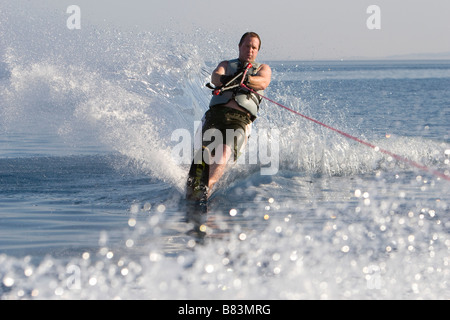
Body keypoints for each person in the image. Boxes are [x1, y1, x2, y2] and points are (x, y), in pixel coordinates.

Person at [186, 32, 272, 203]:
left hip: (240, 120)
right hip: (216, 115)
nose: (250, 50)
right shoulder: (226, 65)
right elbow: (215, 76)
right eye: (247, 46)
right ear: (240, 46)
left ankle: (207, 187)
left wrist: (246, 78)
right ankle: (195, 182)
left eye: (254, 48)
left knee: (224, 151)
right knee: (206, 151)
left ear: (257, 51)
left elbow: (263, 82)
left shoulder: (262, 69)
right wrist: (226, 78)